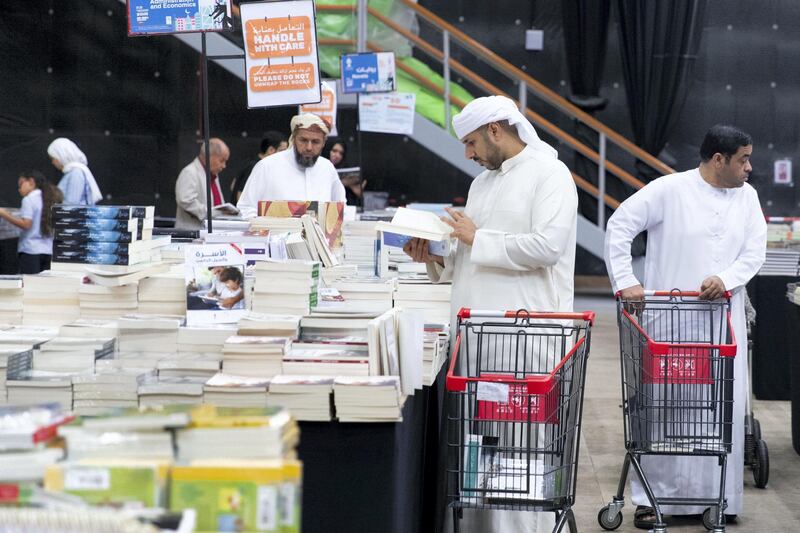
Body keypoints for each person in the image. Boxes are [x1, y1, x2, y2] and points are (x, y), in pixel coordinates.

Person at [404, 95, 578, 533]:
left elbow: (547, 247)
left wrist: (477, 236)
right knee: (479, 446)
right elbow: (472, 256)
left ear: (497, 130)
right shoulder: (483, 183)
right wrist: (435, 256)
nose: (468, 153)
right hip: (476, 339)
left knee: (519, 448)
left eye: (472, 142)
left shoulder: (550, 175)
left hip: (526, 340)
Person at [604, 124, 767, 528]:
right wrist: (626, 281)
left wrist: (726, 279)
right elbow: (620, 225)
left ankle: (719, 498)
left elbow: (754, 252)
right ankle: (654, 498)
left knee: (721, 412)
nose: (749, 167)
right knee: (666, 410)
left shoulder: (747, 197)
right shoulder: (668, 190)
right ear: (718, 160)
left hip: (721, 325)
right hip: (670, 324)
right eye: (743, 159)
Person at [236, 114, 346, 218]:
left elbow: (340, 207)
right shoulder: (267, 166)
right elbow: (246, 208)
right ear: (293, 139)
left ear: (323, 143)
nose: (309, 147)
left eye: (315, 142)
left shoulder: (327, 168)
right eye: (303, 140)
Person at [0, 170, 63, 274]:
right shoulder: (49, 198)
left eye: (21, 185)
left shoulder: (29, 199)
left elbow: (26, 224)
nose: (19, 189)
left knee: (30, 284)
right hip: (48, 250)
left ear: (31, 182)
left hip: (30, 250)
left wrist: (4, 214)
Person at [175, 138, 230, 230]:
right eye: (222, 160)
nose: (224, 166)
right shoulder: (189, 172)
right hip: (191, 235)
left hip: (210, 233)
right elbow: (185, 201)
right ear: (209, 156)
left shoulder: (212, 174)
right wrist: (214, 213)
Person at [230, 131, 288, 203]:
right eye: (282, 151)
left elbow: (233, 185)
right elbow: (241, 194)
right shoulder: (255, 167)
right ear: (270, 150)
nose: (285, 156)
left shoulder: (251, 163)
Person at [47, 138, 102, 205]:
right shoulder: (71, 172)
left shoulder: (76, 173)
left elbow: (71, 205)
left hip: (74, 215)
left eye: (53, 158)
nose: (52, 162)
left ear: (62, 155)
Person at [324, 138, 367, 206]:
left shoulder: (345, 167)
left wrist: (354, 189)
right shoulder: (319, 167)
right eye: (334, 151)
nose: (337, 155)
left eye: (341, 153)